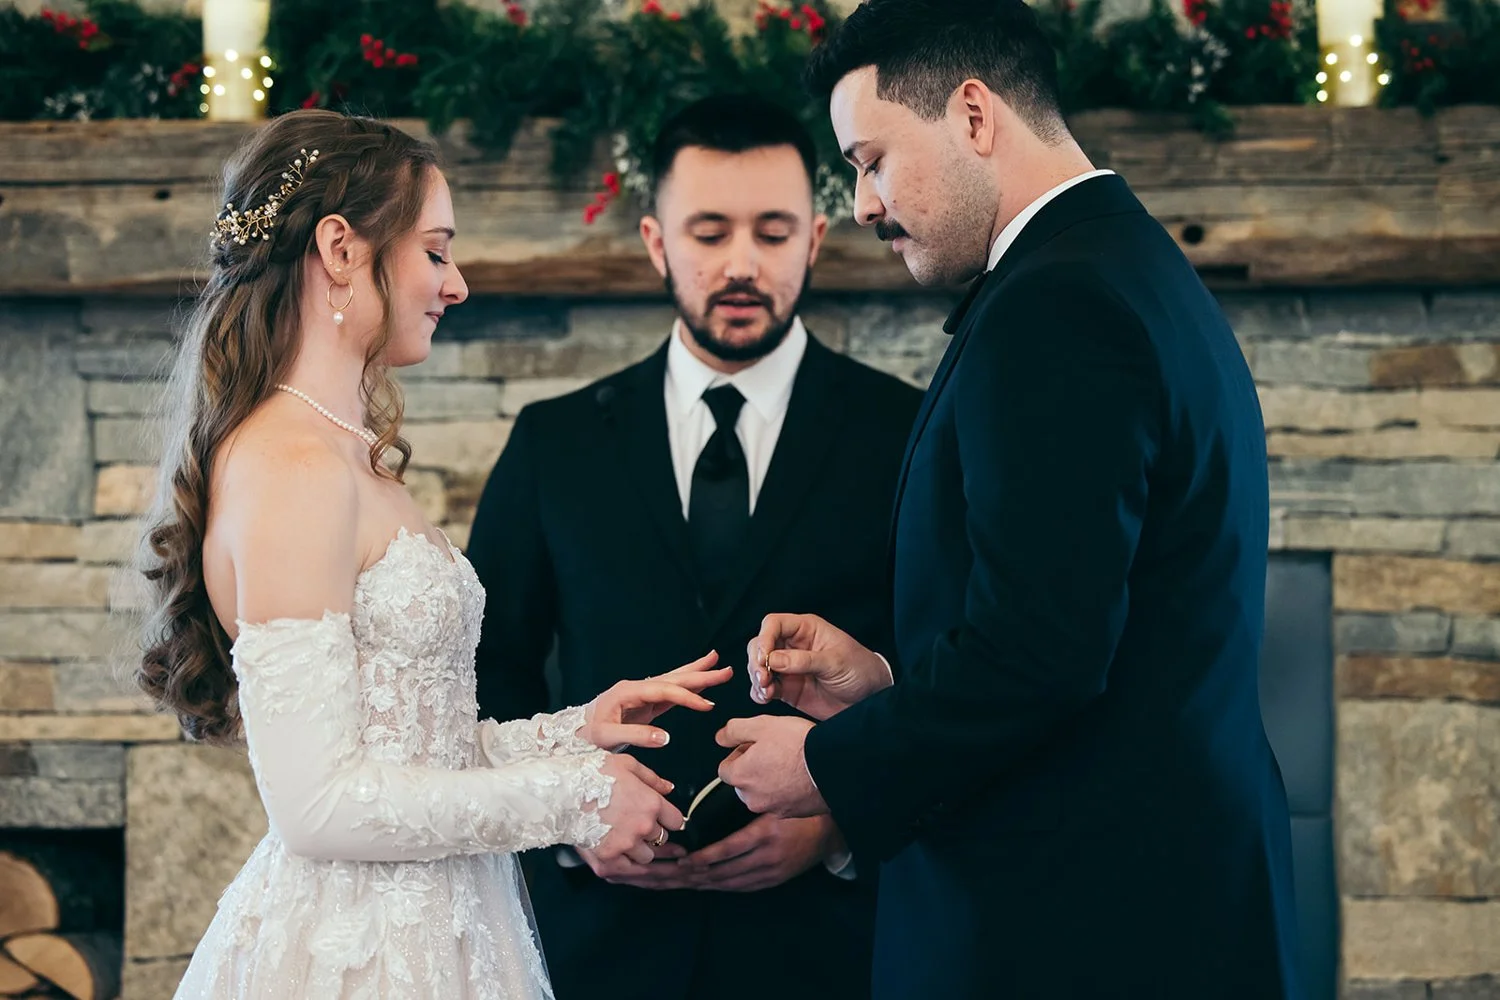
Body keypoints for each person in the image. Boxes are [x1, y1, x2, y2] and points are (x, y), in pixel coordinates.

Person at [716, 1, 1302, 997]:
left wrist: (828, 762)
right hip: (1149, 895)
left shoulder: (1057, 306)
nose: (862, 206)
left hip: (1083, 925)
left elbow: (1041, 653)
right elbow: (1087, 628)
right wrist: (884, 684)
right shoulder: (1121, 263)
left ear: (974, 115)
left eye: (871, 161)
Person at [131, 108, 730, 1000]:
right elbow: (317, 807)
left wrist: (573, 732)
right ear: (341, 249)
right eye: (436, 252)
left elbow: (413, 750)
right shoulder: (292, 465)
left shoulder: (342, 450)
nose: (456, 285)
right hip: (359, 954)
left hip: (442, 924)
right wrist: (575, 797)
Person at [467, 94, 921, 1000]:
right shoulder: (554, 442)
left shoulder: (907, 431)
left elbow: (947, 668)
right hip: (599, 949)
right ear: (656, 241)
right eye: (709, 233)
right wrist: (566, 819)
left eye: (772, 232)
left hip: (829, 950)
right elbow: (485, 673)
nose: (741, 263)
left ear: (815, 240)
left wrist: (840, 822)